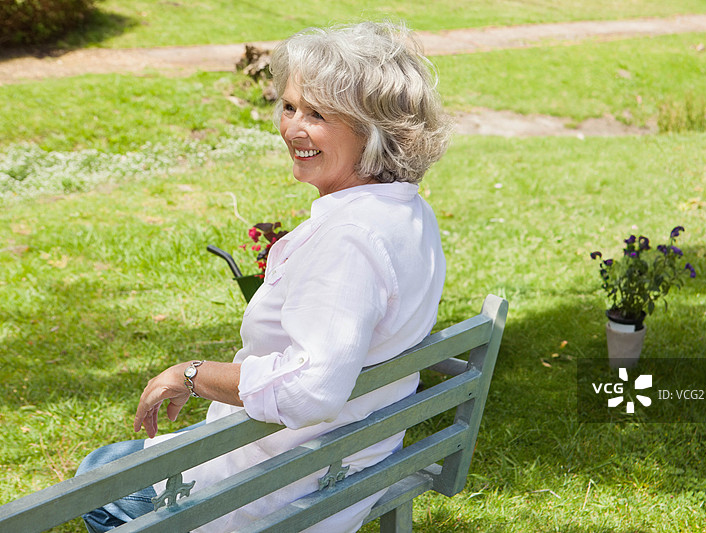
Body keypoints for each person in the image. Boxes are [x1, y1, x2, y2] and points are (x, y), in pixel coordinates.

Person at [75, 20, 452, 533]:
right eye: (290, 106)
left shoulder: (350, 240)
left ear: (373, 129)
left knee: (96, 478)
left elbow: (310, 391)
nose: (293, 127)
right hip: (353, 459)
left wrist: (191, 374)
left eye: (317, 114)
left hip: (278, 485)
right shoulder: (407, 212)